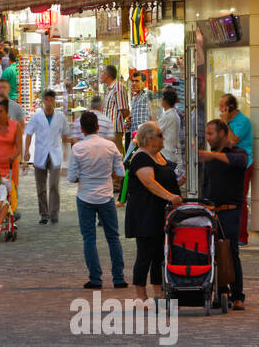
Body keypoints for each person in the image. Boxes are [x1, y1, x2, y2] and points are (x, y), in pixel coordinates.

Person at [67, 110, 127, 290]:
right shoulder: (110, 146)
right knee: (113, 237)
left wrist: (83, 177)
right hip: (106, 196)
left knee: (89, 239)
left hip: (85, 196)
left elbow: (71, 177)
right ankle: (119, 278)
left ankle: (95, 278)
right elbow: (121, 173)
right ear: (98, 127)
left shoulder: (77, 148)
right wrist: (108, 174)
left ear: (82, 130)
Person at [127, 121, 183, 298]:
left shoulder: (160, 157)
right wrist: (170, 196)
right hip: (145, 214)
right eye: (160, 135)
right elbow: (149, 182)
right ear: (149, 139)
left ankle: (158, 292)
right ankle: (141, 295)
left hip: (160, 214)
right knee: (145, 255)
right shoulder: (141, 157)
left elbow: (167, 179)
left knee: (160, 255)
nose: (163, 138)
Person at [198, 118, 248, 309]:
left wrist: (214, 156)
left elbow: (241, 162)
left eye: (210, 133)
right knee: (213, 252)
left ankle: (238, 295)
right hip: (211, 211)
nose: (207, 137)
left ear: (221, 133)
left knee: (231, 252)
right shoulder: (210, 157)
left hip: (230, 212)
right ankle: (220, 293)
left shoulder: (237, 152)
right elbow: (206, 184)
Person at [24, 90, 68, 225]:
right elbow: (29, 133)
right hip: (40, 154)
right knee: (40, 187)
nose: (49, 103)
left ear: (55, 101)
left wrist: (66, 153)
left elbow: (65, 136)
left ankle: (54, 212)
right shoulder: (37, 116)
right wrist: (26, 151)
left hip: (55, 153)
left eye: (51, 100)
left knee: (54, 184)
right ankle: (44, 213)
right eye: (47, 100)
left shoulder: (60, 117)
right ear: (43, 101)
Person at [219, 94, 253, 242]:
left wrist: (225, 124)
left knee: (240, 199)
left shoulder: (243, 121)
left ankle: (242, 235)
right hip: (228, 163)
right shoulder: (226, 121)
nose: (220, 109)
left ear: (230, 107)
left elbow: (232, 140)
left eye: (222, 106)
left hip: (243, 163)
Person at [100, 65, 129, 150]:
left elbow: (124, 109)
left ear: (107, 75)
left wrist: (126, 123)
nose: (101, 75)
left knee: (117, 154)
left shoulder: (118, 87)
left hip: (114, 130)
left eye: (102, 72)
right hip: (108, 129)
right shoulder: (109, 89)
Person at [158, 89, 183, 181]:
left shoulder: (168, 116)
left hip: (166, 153)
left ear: (165, 101)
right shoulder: (173, 115)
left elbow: (156, 130)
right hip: (169, 152)